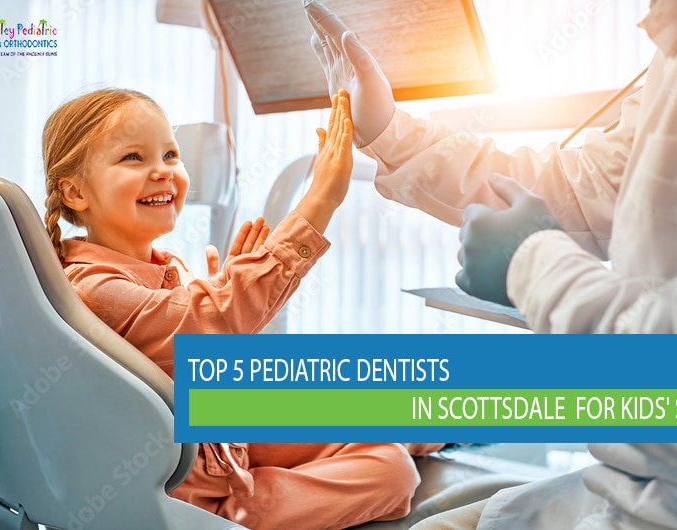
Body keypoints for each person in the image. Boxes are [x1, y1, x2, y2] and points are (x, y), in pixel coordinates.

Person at [305, 0, 677, 528]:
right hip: (649, 479)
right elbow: (577, 187)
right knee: (434, 514)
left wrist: (531, 262)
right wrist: (391, 130)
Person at [41, 87, 427, 529]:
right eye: (133, 157)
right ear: (74, 191)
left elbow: (205, 344)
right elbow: (202, 320)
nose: (163, 171)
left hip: (218, 440)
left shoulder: (168, 267)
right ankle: (236, 514)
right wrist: (319, 200)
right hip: (192, 490)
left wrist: (230, 307)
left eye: (170, 154)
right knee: (391, 469)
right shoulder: (91, 286)